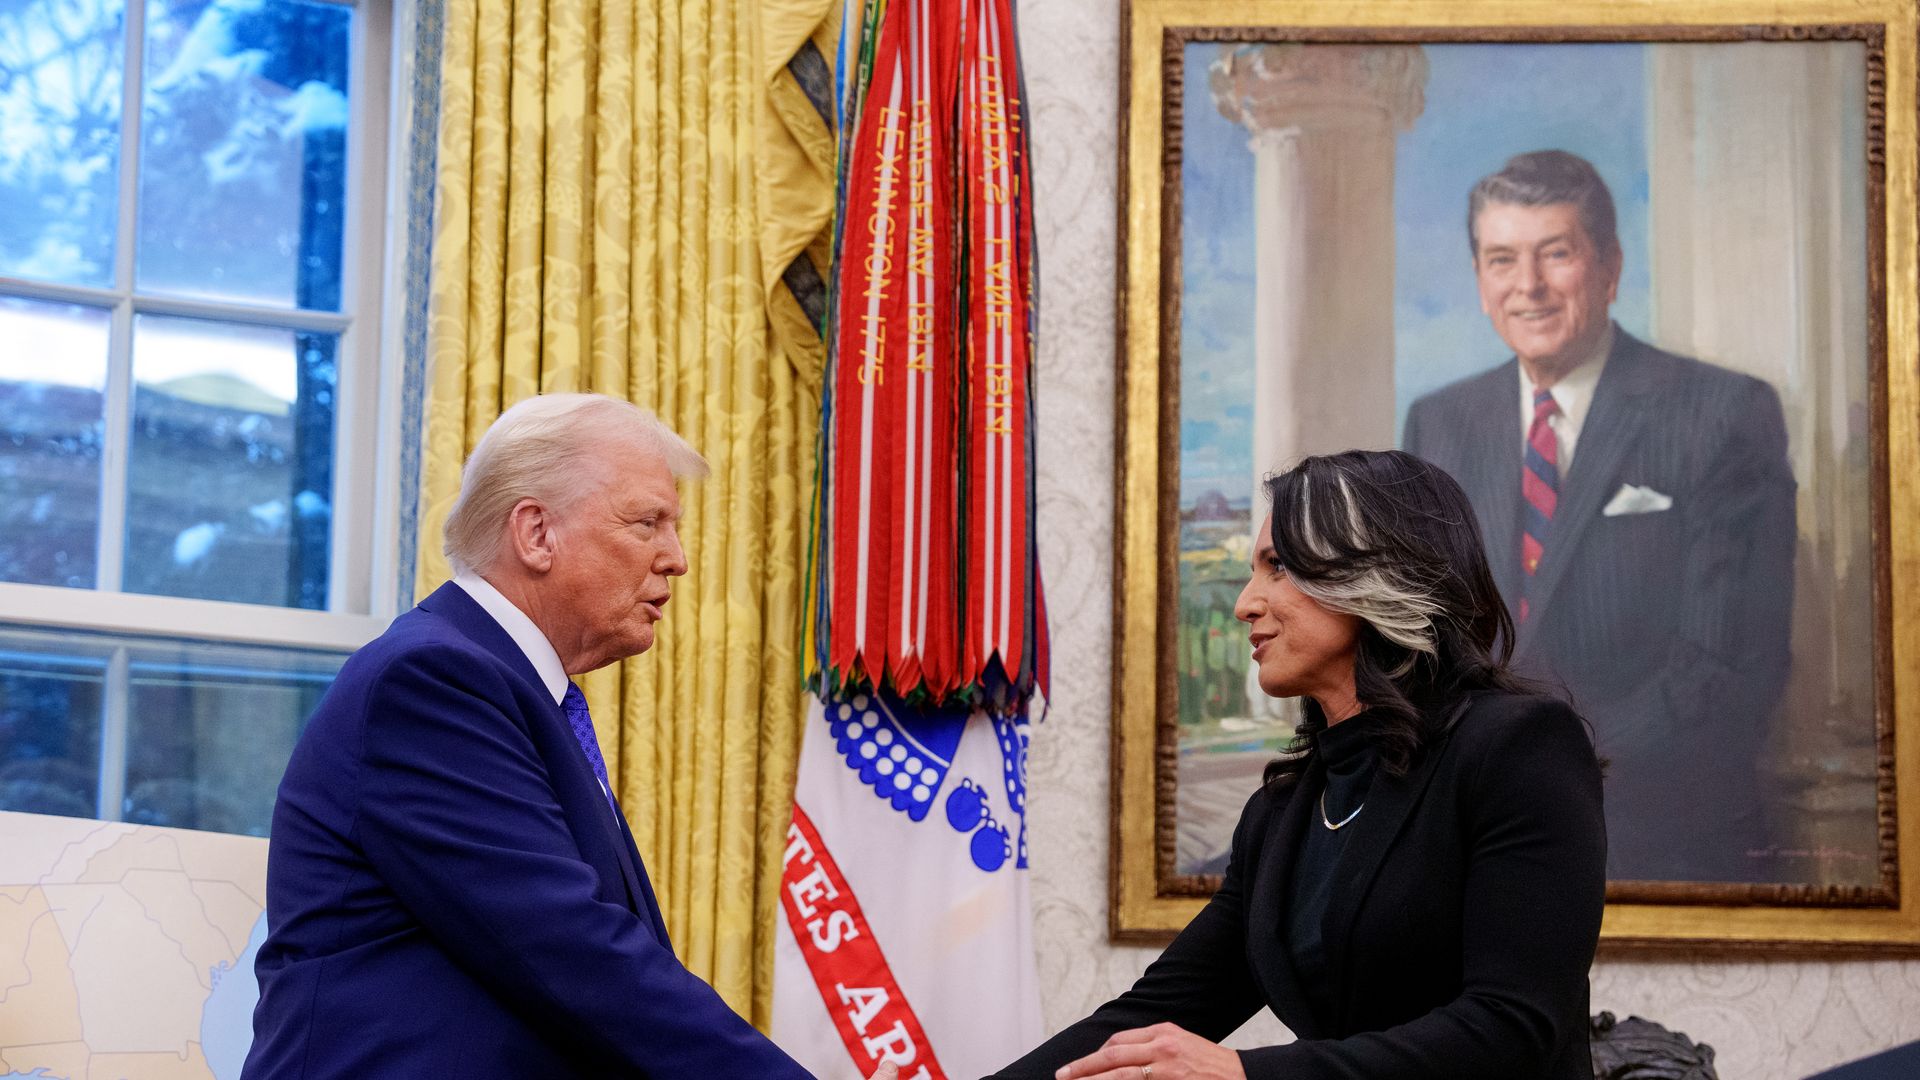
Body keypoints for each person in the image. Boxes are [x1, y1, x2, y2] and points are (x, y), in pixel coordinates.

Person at [244, 394, 885, 1077]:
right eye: (648, 523)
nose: (678, 558)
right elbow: (571, 950)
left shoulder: (520, 693)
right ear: (536, 534)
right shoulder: (432, 678)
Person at [994, 450, 1607, 1080]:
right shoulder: (1280, 812)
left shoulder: (1518, 747)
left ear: (1374, 572)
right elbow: (1154, 1014)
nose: (1245, 604)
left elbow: (1511, 1025)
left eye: (1277, 567)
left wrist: (1244, 1074)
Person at [1403, 149, 1795, 882]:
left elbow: (1725, 668)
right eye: (1501, 260)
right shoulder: (1439, 424)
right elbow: (1427, 641)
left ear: (1610, 266)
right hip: (1474, 851)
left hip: (1664, 843)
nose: (1529, 287)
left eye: (1556, 253)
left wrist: (1539, 771)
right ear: (1480, 283)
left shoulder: (1722, 414)